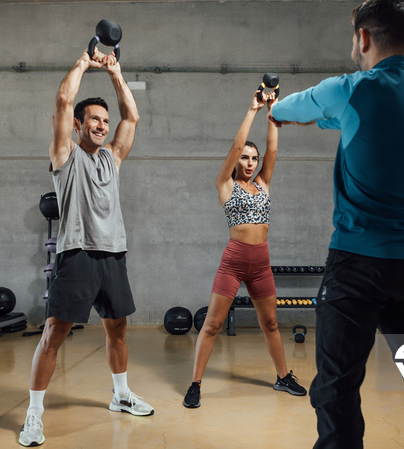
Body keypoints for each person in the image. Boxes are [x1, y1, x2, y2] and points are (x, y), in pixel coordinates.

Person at [268, 0, 404, 449]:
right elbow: (365, 127)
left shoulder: (352, 88)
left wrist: (286, 112)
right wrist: (325, 120)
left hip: (357, 266)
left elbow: (284, 109)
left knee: (336, 387)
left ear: (364, 37)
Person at [19, 48, 153, 447]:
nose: (102, 125)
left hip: (113, 254)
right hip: (76, 254)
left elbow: (132, 117)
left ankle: (120, 394)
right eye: (94, 119)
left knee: (119, 329)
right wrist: (83, 63)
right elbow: (62, 100)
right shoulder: (65, 155)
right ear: (78, 125)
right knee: (54, 333)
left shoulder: (112, 158)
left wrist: (115, 72)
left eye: (104, 120)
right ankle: (34, 414)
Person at [183, 88, 307, 409]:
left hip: (261, 263)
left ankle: (282, 377)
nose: (250, 162)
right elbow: (238, 144)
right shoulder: (225, 184)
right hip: (234, 262)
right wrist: (253, 109)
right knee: (212, 325)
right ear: (236, 161)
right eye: (245, 158)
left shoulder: (263, 182)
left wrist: (273, 112)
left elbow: (273, 149)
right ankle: (195, 383)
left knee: (271, 324)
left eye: (253, 158)